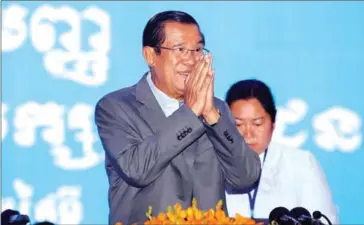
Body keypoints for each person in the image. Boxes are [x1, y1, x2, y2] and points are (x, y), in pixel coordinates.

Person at [95, 10, 261, 225]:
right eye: (180, 49)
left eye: (197, 50)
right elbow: (137, 170)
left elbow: (245, 177)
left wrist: (212, 118)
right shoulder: (116, 107)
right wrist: (191, 113)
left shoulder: (216, 108)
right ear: (150, 55)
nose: (191, 60)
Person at [224, 79, 338, 224]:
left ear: (273, 121)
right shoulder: (209, 163)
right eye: (238, 124)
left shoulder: (302, 163)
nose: (248, 134)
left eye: (257, 123)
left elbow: (325, 220)